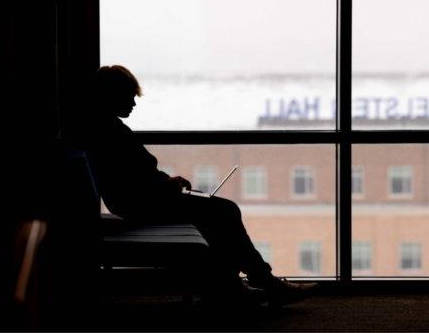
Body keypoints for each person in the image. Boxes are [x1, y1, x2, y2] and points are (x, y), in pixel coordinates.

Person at [80, 65, 316, 306]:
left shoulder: (104, 129)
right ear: (113, 95)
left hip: (142, 201)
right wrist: (166, 185)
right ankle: (258, 280)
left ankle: (233, 285)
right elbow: (132, 182)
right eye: (129, 96)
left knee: (218, 213)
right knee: (224, 212)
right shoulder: (110, 132)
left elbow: (131, 179)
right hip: (144, 204)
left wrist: (167, 183)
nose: (133, 103)